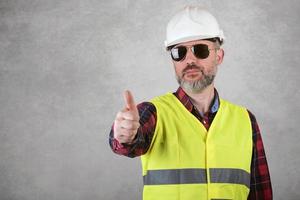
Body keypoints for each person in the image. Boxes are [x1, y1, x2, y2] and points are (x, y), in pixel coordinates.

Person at [109, 6, 272, 200]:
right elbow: (129, 142)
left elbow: (260, 192)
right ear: (173, 61)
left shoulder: (246, 120)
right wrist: (124, 135)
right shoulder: (153, 113)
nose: (190, 60)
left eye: (200, 50)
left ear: (218, 56)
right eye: (179, 52)